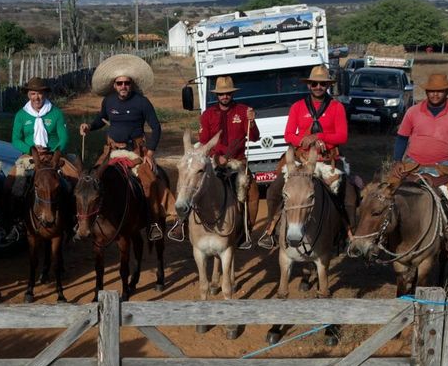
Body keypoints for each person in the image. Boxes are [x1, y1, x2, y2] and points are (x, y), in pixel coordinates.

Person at [258, 65, 352, 250]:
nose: (318, 86)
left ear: (327, 86)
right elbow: (288, 135)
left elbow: (342, 136)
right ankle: (271, 231)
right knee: (274, 191)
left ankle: (346, 234)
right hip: (301, 162)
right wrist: (304, 141)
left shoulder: (336, 107)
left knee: (349, 196)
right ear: (309, 85)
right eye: (314, 83)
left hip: (326, 162)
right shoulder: (297, 107)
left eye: (322, 84)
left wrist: (319, 137)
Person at [79, 54, 172, 241]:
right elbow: (100, 120)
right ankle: (90, 220)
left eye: (126, 83)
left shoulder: (142, 102)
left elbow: (156, 127)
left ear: (132, 84)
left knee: (149, 182)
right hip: (111, 151)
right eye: (119, 83)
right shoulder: (109, 101)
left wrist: (150, 152)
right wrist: (89, 126)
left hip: (135, 152)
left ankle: (153, 222)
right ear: (114, 85)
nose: (123, 87)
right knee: (91, 179)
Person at [390, 72, 448, 264]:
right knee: (385, 191)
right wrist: (397, 161)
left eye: (440, 91)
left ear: (447, 92)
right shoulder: (413, 111)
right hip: (413, 163)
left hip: (445, 166)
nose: (435, 95)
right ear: (426, 92)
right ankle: (378, 240)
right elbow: (402, 138)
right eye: (431, 91)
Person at [185, 75, 259, 247]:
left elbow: (254, 137)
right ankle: (181, 223)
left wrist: (252, 121)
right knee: (193, 184)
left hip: (238, 162)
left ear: (232, 94)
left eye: (227, 93)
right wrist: (217, 157)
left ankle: (246, 230)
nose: (224, 96)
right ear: (216, 95)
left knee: (252, 191)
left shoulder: (243, 110)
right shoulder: (208, 114)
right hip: (214, 161)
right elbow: (204, 142)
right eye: (221, 94)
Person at [3, 77, 78, 242]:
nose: (37, 97)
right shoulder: (21, 115)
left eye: (40, 93)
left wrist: (53, 150)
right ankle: (16, 223)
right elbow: (16, 139)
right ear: (28, 95)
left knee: (75, 179)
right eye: (33, 93)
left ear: (45, 94)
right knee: (12, 184)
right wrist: (30, 149)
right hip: (30, 156)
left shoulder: (56, 113)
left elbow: (64, 137)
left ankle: (74, 221)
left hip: (53, 155)